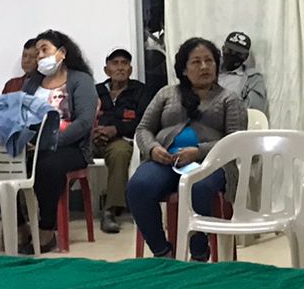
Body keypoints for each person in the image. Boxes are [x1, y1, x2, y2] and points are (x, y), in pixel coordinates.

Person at [129, 37, 246, 260]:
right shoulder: (166, 94)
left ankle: (199, 254)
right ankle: (162, 252)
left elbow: (235, 142)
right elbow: (143, 129)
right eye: (196, 62)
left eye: (209, 61)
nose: (204, 67)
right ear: (183, 69)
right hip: (166, 161)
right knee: (138, 187)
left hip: (211, 164)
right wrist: (153, 149)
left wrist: (198, 152)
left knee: (197, 187)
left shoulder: (229, 99)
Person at [23, 29, 100, 254]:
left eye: (44, 50)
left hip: (70, 147)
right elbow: (22, 114)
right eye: (37, 52)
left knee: (47, 164)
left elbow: (84, 122)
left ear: (62, 52)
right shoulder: (32, 83)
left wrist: (50, 142)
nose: (40, 56)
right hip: (33, 145)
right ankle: (20, 226)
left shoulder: (81, 80)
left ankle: (47, 229)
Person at [95, 48, 150, 234]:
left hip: (120, 140)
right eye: (115, 63)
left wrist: (116, 129)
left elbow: (144, 122)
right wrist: (92, 133)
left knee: (120, 152)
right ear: (106, 70)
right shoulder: (95, 91)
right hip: (92, 140)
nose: (120, 67)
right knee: (65, 151)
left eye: (124, 63)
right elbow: (81, 116)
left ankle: (110, 211)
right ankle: (52, 210)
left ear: (130, 69)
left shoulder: (140, 91)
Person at [216, 30, 267, 113]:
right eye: (229, 51)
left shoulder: (252, 79)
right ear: (223, 49)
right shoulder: (210, 67)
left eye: (238, 54)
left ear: (246, 57)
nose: (232, 55)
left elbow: (254, 111)